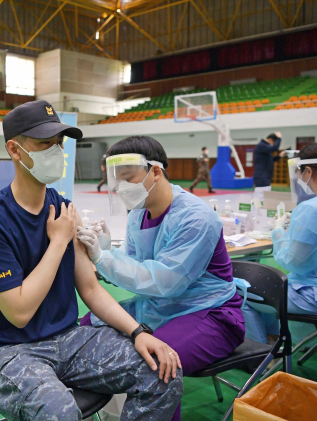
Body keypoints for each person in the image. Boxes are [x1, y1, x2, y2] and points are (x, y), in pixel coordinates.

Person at [0, 102, 183, 421]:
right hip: (6, 350)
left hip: (67, 340)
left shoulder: (65, 209)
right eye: (44, 143)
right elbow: (19, 312)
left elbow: (91, 289)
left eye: (59, 143)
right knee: (60, 411)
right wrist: (58, 242)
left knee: (162, 371)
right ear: (15, 149)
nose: (56, 151)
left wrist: (139, 333)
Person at [77, 136, 246, 421]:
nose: (122, 189)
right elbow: (134, 270)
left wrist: (104, 259)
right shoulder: (138, 214)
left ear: (156, 171)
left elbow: (166, 281)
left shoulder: (196, 218)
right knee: (84, 329)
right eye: (118, 182)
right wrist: (108, 250)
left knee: (157, 363)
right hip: (159, 307)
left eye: (129, 178)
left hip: (209, 313)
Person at [242, 143, 317, 344]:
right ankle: (276, 339)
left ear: (308, 171)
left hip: (316, 296)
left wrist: (279, 231)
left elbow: (295, 262)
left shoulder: (312, 209)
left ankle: (261, 354)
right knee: (267, 282)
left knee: (240, 290)